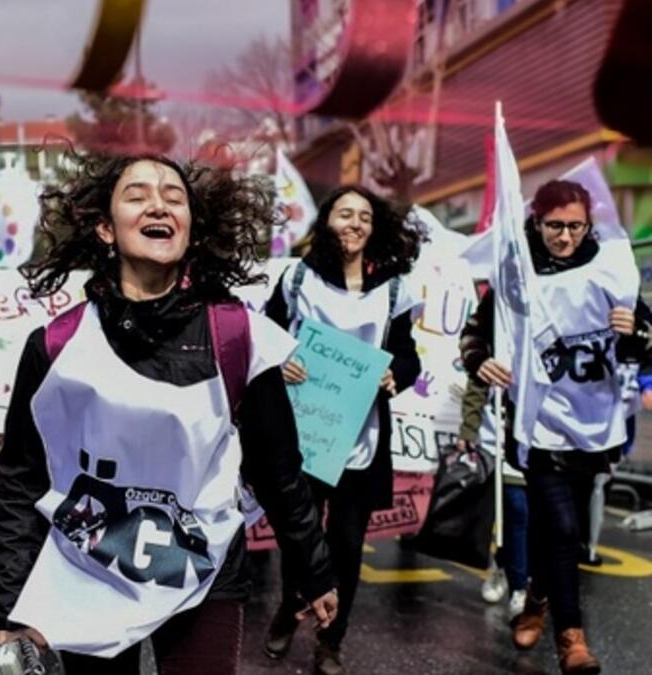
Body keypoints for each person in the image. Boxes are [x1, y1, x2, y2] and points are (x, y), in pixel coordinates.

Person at [0, 153, 337, 675]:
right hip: (89, 573)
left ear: (192, 230)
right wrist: (13, 603)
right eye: (137, 195)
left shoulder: (240, 337)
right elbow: (20, 476)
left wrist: (313, 570)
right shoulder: (57, 347)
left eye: (174, 197)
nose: (159, 204)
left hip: (204, 570)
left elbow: (278, 470)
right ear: (106, 229)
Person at [459, 179, 652, 674]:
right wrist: (480, 360)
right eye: (554, 226)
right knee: (564, 529)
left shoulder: (611, 268)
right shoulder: (514, 274)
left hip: (593, 425)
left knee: (555, 532)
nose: (565, 237)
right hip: (537, 424)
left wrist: (637, 331)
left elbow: (644, 347)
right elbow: (476, 335)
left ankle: (537, 598)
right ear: (536, 221)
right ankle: (572, 640)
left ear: (589, 224)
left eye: (575, 226)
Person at [262, 185, 423, 675]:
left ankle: (331, 640)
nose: (354, 223)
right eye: (344, 213)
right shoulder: (297, 281)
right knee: (299, 538)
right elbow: (266, 339)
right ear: (326, 221)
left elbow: (407, 354)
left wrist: (399, 375)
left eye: (365, 217)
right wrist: (279, 362)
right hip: (305, 436)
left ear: (377, 228)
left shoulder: (395, 287)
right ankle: (291, 607)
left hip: (361, 438)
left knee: (348, 546)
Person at [459, 375, 529, 620]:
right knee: (517, 510)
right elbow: (478, 383)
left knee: (529, 518)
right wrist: (469, 429)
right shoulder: (496, 342)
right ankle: (520, 588)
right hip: (498, 445)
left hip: (537, 441)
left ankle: (502, 563)